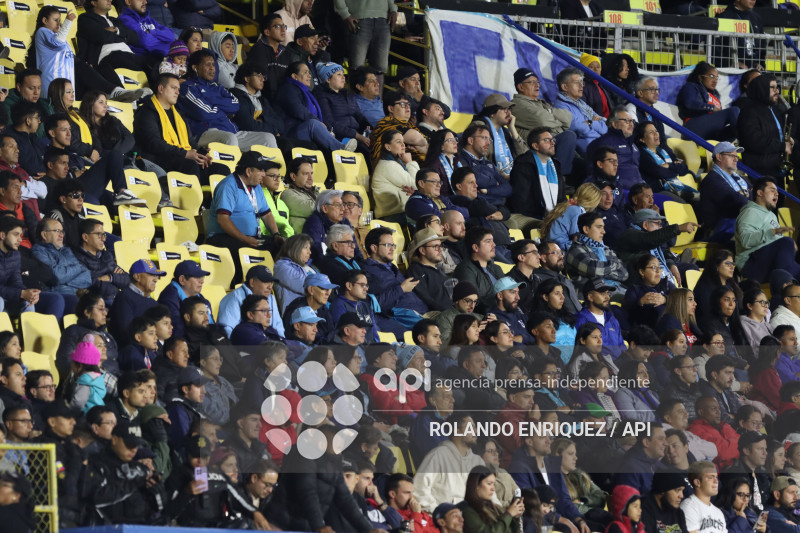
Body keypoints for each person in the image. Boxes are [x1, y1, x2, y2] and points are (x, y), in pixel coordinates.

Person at [205, 151, 285, 284]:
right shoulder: (228, 186)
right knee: (246, 250)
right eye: (261, 170)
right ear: (248, 171)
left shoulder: (256, 187)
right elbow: (223, 219)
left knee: (282, 246)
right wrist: (245, 239)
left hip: (250, 237)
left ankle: (271, 286)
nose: (264, 174)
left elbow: (267, 214)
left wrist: (276, 234)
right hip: (222, 238)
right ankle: (243, 285)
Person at [179, 50, 276, 151]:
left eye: (213, 64)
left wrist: (210, 101)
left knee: (268, 138)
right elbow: (202, 114)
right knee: (229, 138)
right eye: (208, 64)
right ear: (195, 67)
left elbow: (235, 105)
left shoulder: (217, 86)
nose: (212, 68)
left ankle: (268, 167)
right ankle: (233, 167)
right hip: (204, 133)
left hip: (231, 131)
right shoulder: (187, 87)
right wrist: (224, 110)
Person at [133, 73, 224, 179]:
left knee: (220, 169)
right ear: (161, 89)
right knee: (190, 166)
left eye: (178, 89)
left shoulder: (179, 114)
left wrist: (201, 154)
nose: (177, 92)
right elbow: (154, 143)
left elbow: (190, 141)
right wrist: (185, 154)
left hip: (179, 157)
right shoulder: (147, 112)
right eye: (173, 88)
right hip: (157, 159)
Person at [274, 61, 357, 153]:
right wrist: (320, 124)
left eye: (310, 72)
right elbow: (298, 110)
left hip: (305, 130)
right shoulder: (288, 89)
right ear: (294, 76)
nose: (309, 75)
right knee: (313, 124)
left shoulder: (307, 93)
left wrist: (328, 130)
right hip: (291, 132)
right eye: (305, 72)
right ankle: (340, 149)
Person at [413, 413, 485, 512]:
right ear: (456, 430)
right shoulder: (438, 455)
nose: (476, 431)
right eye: (471, 427)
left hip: (472, 519)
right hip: (444, 521)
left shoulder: (478, 461)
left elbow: (488, 493)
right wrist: (440, 512)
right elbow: (419, 490)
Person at [511, 69, 577, 176]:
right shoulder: (517, 105)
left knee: (587, 163)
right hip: (539, 149)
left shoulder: (541, 104)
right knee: (569, 136)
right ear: (521, 87)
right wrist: (555, 119)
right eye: (532, 82)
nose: (537, 85)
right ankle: (559, 180)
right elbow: (542, 120)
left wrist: (549, 113)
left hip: (556, 147)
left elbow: (568, 118)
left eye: (537, 82)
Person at [736, 177, 800, 282]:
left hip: (771, 262)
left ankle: (787, 285)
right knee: (786, 242)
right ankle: (783, 286)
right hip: (751, 265)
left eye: (777, 191)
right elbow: (745, 241)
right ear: (760, 193)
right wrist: (773, 232)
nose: (777, 193)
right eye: (772, 190)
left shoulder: (771, 215)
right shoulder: (750, 212)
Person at [76, 0, 156, 84]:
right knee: (147, 63)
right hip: (108, 56)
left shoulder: (115, 21)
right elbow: (103, 37)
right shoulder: (85, 18)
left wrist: (116, 30)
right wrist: (123, 37)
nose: (110, 0)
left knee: (156, 64)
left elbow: (135, 38)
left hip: (127, 54)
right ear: (93, 2)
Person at [509, 127, 567, 221]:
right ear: (535, 146)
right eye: (547, 140)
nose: (552, 143)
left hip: (553, 217)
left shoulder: (556, 165)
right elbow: (521, 200)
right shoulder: (524, 164)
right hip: (531, 216)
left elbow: (561, 197)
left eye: (553, 140)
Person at [740, 74, 790, 182]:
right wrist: (782, 146)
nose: (777, 91)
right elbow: (755, 141)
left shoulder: (775, 110)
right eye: (772, 88)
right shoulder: (749, 112)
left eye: (777, 87)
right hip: (760, 171)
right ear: (761, 89)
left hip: (776, 167)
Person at [699, 142, 751, 243]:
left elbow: (756, 196)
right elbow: (740, 202)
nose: (736, 159)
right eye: (732, 156)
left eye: (737, 156)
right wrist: (747, 194)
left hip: (737, 224)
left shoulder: (739, 178)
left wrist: (744, 194)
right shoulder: (712, 180)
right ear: (719, 157)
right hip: (720, 230)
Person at [313, 62, 370, 153]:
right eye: (339, 74)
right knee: (366, 153)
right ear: (328, 79)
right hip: (341, 138)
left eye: (343, 74)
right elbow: (330, 123)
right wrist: (358, 136)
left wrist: (371, 129)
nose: (343, 77)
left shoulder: (347, 94)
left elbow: (360, 117)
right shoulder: (322, 95)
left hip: (358, 136)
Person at [335, 0, 396, 82]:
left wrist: (393, 9)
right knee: (356, 68)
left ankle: (376, 95)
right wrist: (345, 14)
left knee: (380, 69)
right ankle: (356, 95)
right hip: (359, 18)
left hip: (383, 19)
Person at [565, 211, 628, 291]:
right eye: (599, 227)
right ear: (586, 229)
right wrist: (615, 265)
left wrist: (602, 271)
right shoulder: (575, 251)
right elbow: (594, 269)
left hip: (616, 289)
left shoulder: (605, 249)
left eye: (603, 227)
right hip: (596, 294)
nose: (603, 231)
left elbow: (624, 274)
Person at [677, 61, 739, 142]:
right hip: (693, 127)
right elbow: (689, 103)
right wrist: (711, 107)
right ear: (700, 77)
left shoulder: (716, 95)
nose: (715, 80)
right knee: (734, 110)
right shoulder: (691, 86)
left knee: (735, 128)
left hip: (710, 132)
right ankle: (745, 141)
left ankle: (725, 149)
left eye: (716, 77)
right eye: (711, 76)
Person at [636, 122, 696, 201]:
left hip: (676, 187)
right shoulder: (642, 155)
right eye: (651, 132)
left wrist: (669, 166)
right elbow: (659, 172)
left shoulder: (663, 150)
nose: (656, 134)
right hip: (660, 192)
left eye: (656, 131)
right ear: (642, 139)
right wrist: (675, 169)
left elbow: (684, 168)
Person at [218, 265, 282, 337]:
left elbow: (278, 327)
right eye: (266, 282)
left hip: (270, 344)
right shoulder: (235, 297)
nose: (270, 287)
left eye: (271, 282)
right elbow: (227, 330)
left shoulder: (271, 298)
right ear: (252, 282)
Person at [553, 67, 607, 153]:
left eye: (582, 82)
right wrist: (593, 122)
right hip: (588, 146)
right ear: (564, 87)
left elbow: (605, 123)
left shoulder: (581, 103)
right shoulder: (561, 107)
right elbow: (581, 130)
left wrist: (590, 123)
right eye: (576, 83)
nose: (581, 85)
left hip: (600, 141)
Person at [458, 124, 512, 207]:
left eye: (489, 139)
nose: (488, 143)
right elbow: (475, 183)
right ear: (471, 140)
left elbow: (508, 189)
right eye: (484, 138)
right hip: (478, 211)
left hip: (499, 209)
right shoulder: (460, 161)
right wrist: (495, 183)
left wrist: (487, 191)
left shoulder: (488, 164)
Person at [157, 259, 213, 339]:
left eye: (202, 277)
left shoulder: (202, 299)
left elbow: (212, 326)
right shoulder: (168, 299)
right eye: (197, 277)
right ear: (182, 280)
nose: (202, 281)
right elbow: (177, 331)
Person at [453, 227, 505, 313]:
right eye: (488, 241)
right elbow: (473, 301)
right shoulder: (465, 269)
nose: (494, 245)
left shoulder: (497, 268)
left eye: (493, 241)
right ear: (476, 247)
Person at [369, 91, 428, 167]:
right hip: (391, 169)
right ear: (391, 108)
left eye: (408, 104)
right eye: (402, 104)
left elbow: (427, 145)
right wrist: (422, 145)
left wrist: (422, 145)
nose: (407, 107)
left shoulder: (409, 125)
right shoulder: (386, 123)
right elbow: (416, 139)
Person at [460, 465, 524, 533]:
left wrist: (516, 516)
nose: (493, 488)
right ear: (476, 485)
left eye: (494, 484)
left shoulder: (496, 508)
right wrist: (509, 514)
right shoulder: (467, 511)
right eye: (489, 484)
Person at [372, 129, 420, 219]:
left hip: (397, 213)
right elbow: (418, 184)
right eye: (398, 142)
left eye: (403, 142)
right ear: (388, 147)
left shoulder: (392, 163)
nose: (403, 145)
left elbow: (418, 184)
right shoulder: (388, 165)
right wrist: (410, 162)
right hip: (391, 216)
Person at [405, 227, 453, 313]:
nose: (440, 250)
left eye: (440, 246)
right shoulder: (415, 271)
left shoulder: (437, 269)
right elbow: (426, 300)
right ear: (422, 250)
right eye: (435, 246)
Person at [688, 397, 741, 469]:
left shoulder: (724, 425)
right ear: (701, 412)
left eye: (718, 408)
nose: (718, 412)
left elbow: (744, 443)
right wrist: (736, 444)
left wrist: (729, 445)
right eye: (713, 409)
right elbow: (723, 454)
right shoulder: (696, 430)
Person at [247, 14, 289, 100]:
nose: (283, 29)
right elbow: (262, 81)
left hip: (283, 98)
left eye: (284, 26)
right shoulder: (258, 49)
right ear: (267, 32)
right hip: (265, 100)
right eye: (277, 26)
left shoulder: (285, 51)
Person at [718, 0, 766, 69]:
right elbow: (714, 46)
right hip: (731, 70)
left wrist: (760, 64)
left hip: (754, 69)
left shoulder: (757, 18)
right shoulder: (724, 16)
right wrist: (730, 63)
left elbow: (762, 45)